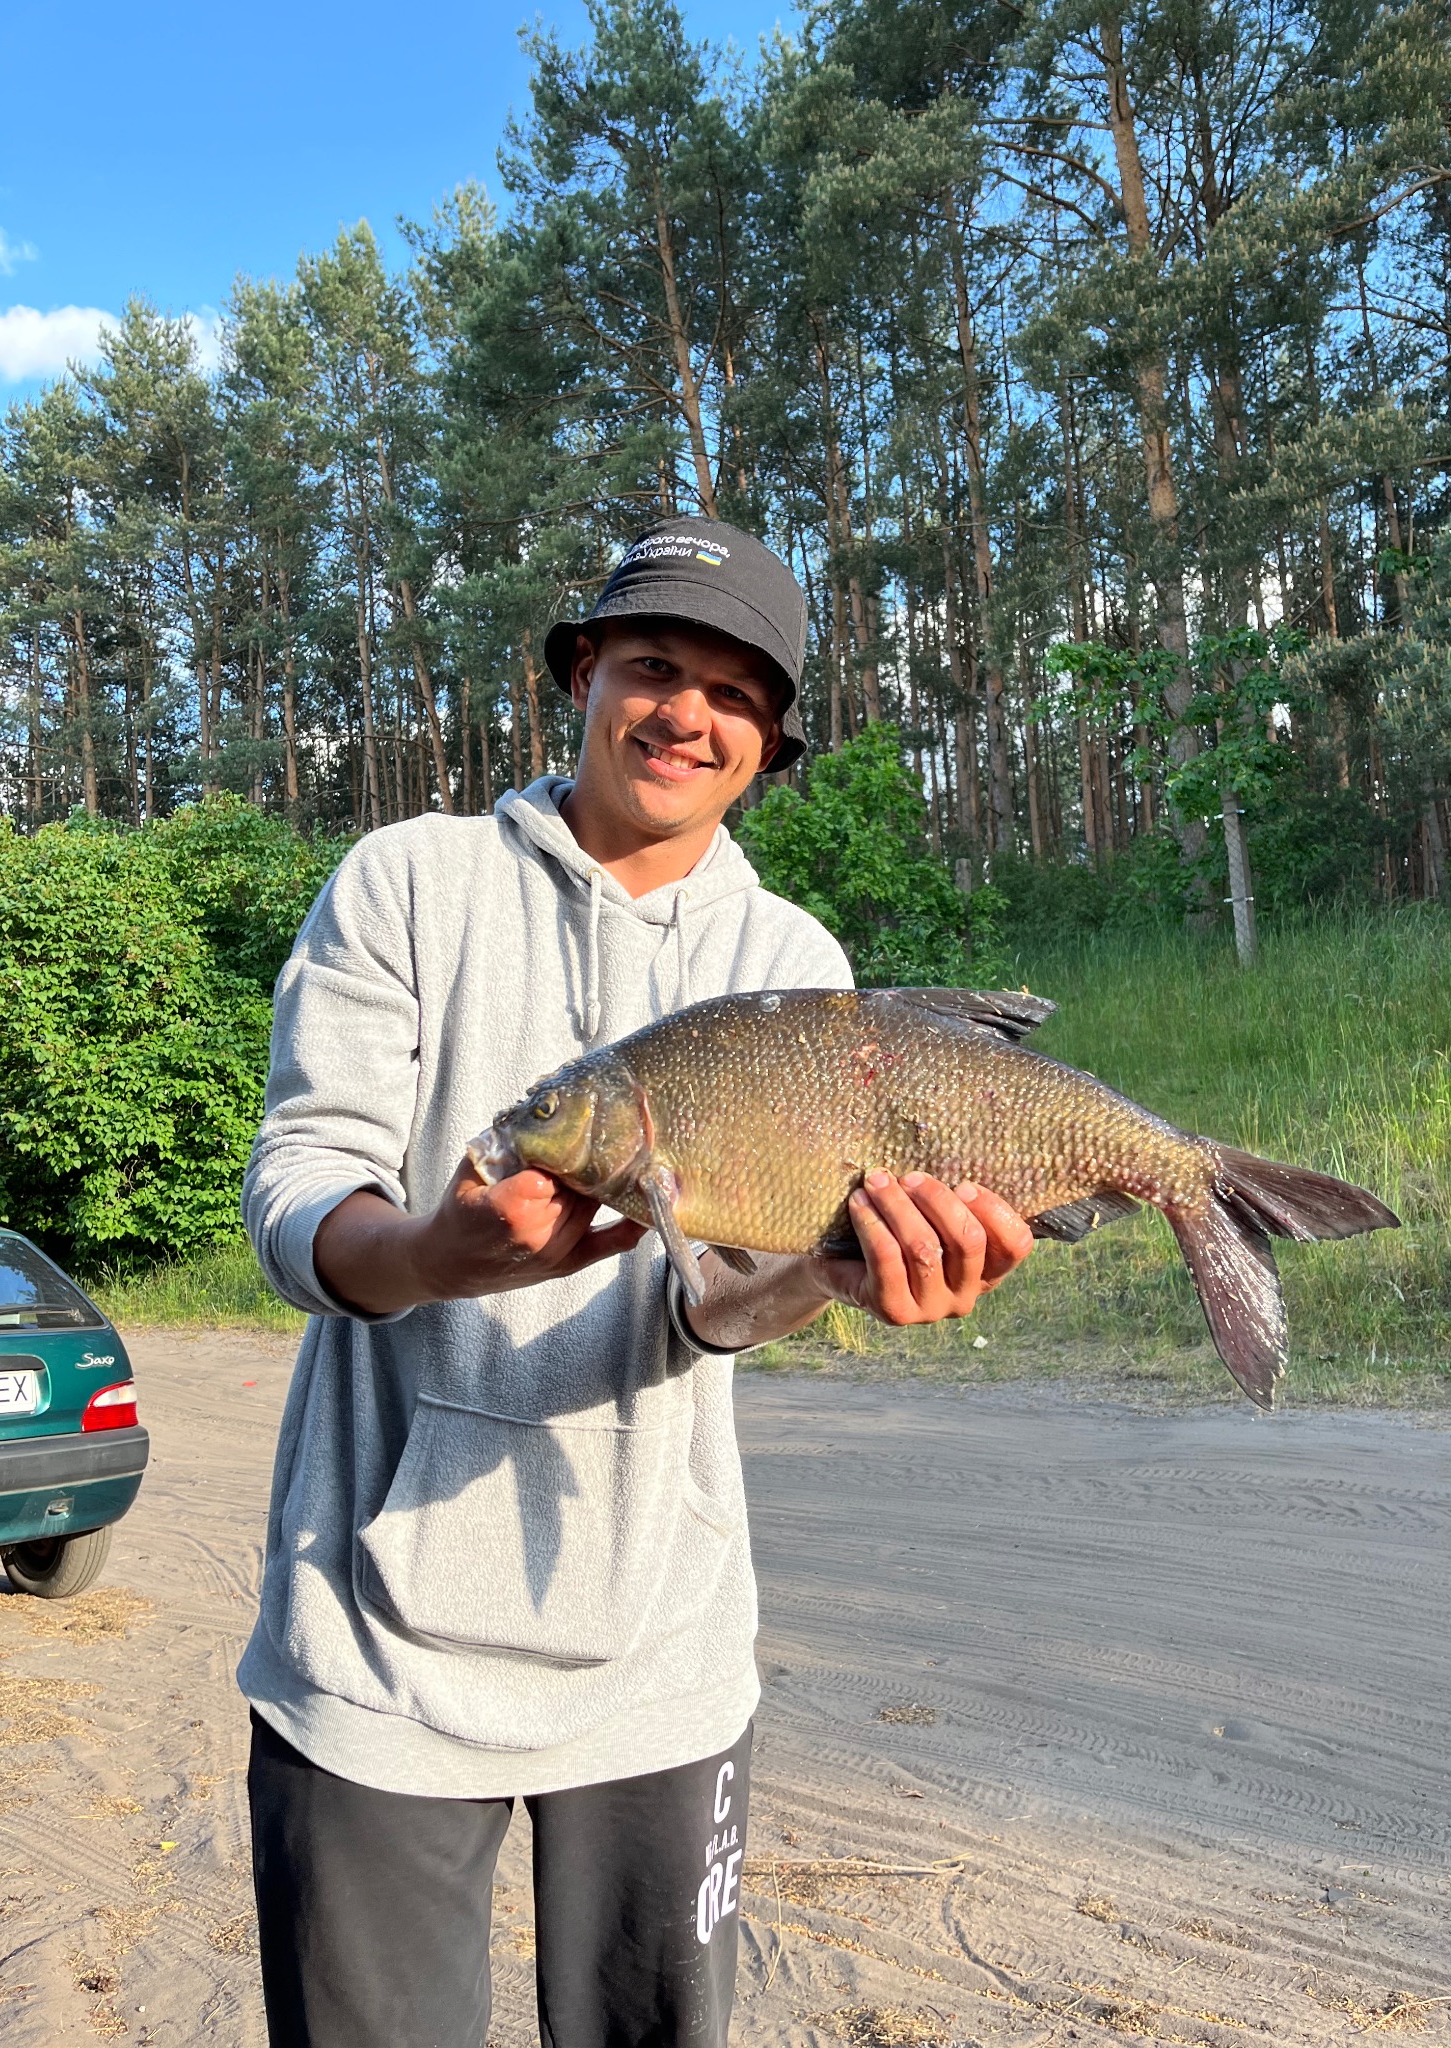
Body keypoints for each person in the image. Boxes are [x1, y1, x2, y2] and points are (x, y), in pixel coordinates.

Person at [239, 514, 1033, 2048]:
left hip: (659, 1650)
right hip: (370, 1649)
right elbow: (296, 1186)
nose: (686, 712)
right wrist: (427, 1253)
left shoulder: (790, 954)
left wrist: (838, 1276)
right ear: (583, 673)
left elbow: (716, 1303)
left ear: (767, 745)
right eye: (654, 665)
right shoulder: (409, 881)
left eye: (735, 694)